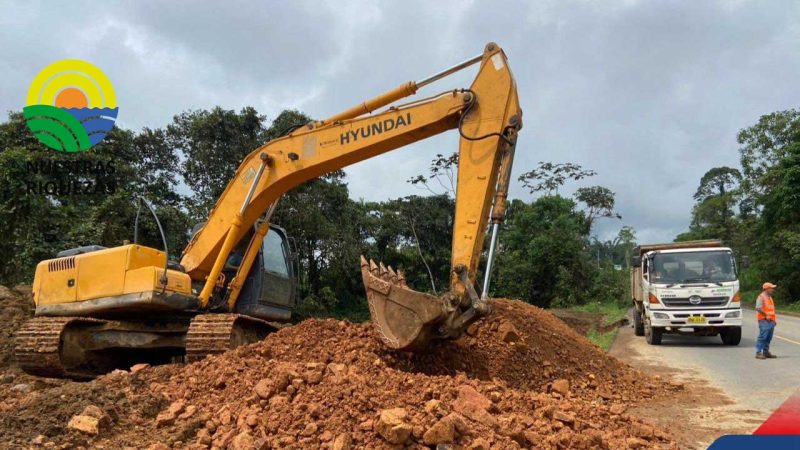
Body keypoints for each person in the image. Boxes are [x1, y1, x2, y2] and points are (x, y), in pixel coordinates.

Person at [755, 282, 778, 360]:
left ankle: (766, 352)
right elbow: (758, 308)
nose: (773, 289)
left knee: (768, 337)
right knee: (763, 337)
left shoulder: (770, 297)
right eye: (771, 288)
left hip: (771, 321)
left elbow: (771, 310)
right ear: (767, 289)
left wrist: (774, 320)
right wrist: (766, 315)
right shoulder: (761, 297)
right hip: (764, 320)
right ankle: (758, 353)